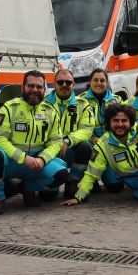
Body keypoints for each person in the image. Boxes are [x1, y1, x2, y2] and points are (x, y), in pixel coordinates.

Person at [0, 70, 70, 215]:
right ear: (22, 87)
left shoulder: (50, 112)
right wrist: (22, 157)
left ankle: (27, 188)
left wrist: (43, 159)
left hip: (37, 161)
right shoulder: (9, 108)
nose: (34, 90)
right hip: (11, 160)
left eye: (39, 87)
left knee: (61, 174)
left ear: (44, 89)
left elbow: (56, 141)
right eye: (30, 86)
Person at [40, 68, 92, 201]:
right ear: (54, 84)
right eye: (60, 82)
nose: (64, 85)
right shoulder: (42, 104)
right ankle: (51, 183)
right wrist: (56, 144)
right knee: (47, 197)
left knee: (85, 146)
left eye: (68, 83)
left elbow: (87, 130)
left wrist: (68, 140)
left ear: (73, 85)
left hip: (70, 149)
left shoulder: (83, 105)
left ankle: (72, 182)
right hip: (50, 152)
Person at [77, 68, 124, 191]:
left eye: (102, 80)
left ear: (107, 82)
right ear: (90, 82)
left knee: (116, 187)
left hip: (109, 145)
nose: (99, 83)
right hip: (90, 144)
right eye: (96, 80)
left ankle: (105, 174)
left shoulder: (117, 100)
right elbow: (77, 126)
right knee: (84, 148)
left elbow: (122, 125)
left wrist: (105, 140)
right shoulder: (80, 100)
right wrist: (91, 138)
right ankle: (89, 179)